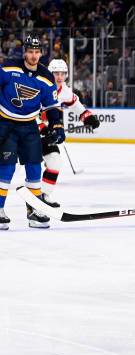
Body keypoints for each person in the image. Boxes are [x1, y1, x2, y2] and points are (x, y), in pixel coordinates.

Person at [0, 34, 64, 230]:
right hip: (6, 124)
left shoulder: (46, 77)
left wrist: (57, 125)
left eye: (37, 52)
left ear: (41, 53)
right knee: (7, 167)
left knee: (34, 167)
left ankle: (34, 210)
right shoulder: (9, 68)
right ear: (24, 52)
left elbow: (52, 105)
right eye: (30, 52)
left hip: (29, 126)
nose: (34, 56)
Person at [38, 58, 100, 207]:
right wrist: (43, 128)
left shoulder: (65, 91)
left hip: (45, 135)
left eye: (63, 74)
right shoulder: (39, 87)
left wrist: (88, 117)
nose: (59, 77)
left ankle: (43, 195)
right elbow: (26, 113)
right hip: (26, 133)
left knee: (54, 161)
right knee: (12, 168)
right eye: (56, 73)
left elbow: (78, 107)